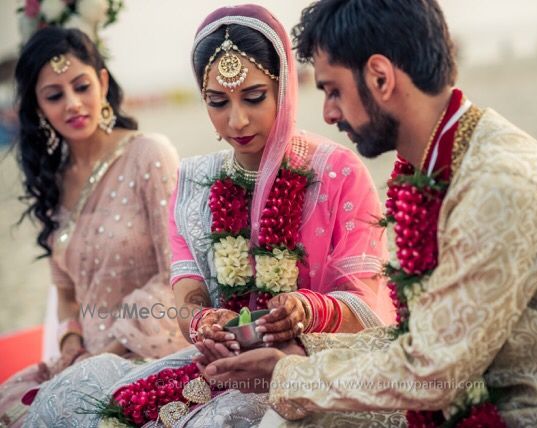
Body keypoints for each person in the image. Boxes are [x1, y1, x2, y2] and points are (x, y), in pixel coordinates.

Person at [201, 0, 537, 426]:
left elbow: (432, 373)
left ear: (380, 77)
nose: (329, 113)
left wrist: (287, 373)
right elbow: (424, 341)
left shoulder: (496, 185)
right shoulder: (450, 160)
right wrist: (306, 356)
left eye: (333, 90)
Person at [23, 5, 395, 427]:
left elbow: (367, 306)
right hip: (221, 369)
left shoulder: (338, 173)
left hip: (310, 369)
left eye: (254, 97)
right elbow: (186, 295)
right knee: (66, 400)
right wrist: (204, 322)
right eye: (218, 102)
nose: (237, 120)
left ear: (285, 89)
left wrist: (305, 311)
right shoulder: (195, 183)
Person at [0, 27, 188, 426]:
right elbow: (66, 290)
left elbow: (178, 272)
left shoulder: (147, 155)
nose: (72, 104)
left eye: (81, 86)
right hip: (83, 357)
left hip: (148, 352)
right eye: (54, 95)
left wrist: (110, 349)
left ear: (102, 82)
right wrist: (71, 342)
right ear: (36, 107)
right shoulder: (54, 179)